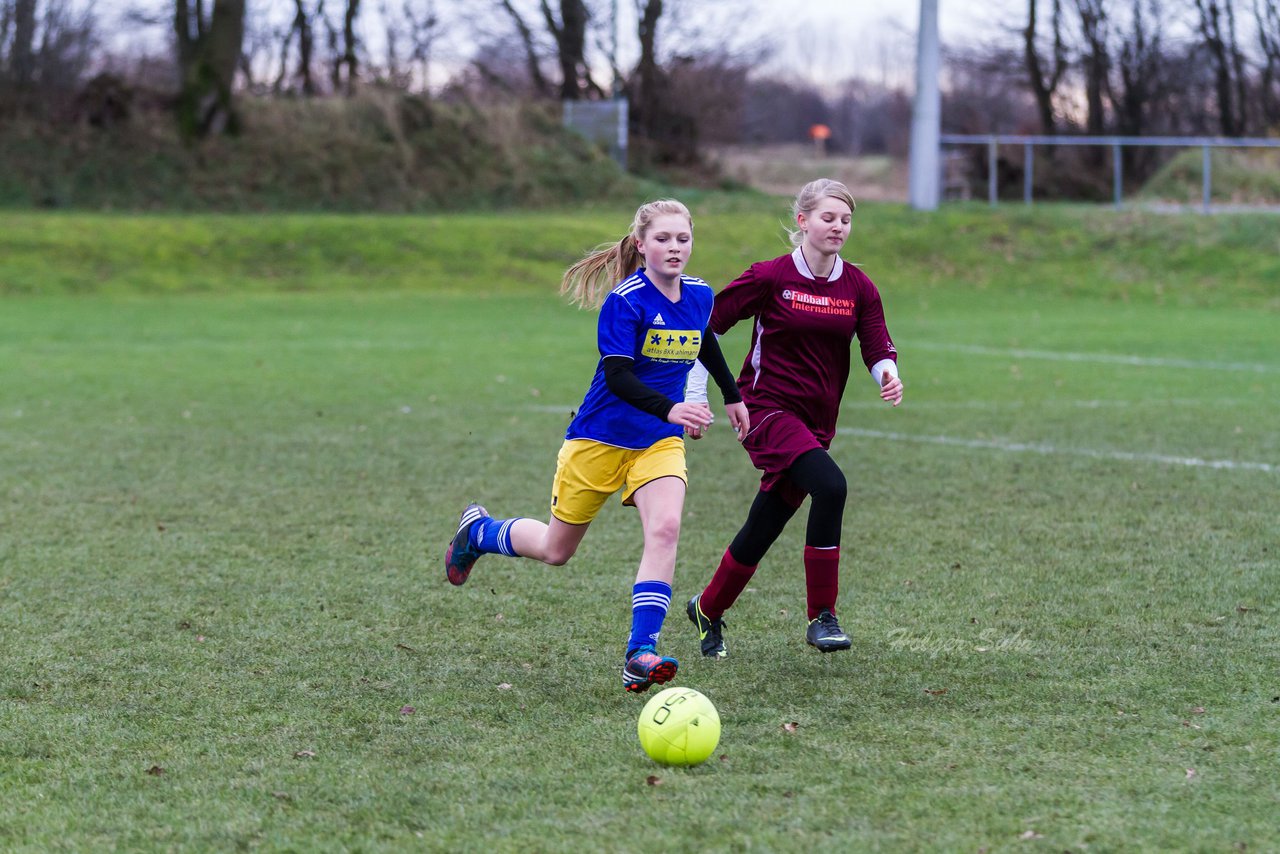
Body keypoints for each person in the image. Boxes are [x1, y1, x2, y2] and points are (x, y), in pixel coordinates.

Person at [444, 199, 749, 693]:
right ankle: (478, 532)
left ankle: (640, 653)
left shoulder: (699, 295)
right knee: (555, 549)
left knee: (666, 529)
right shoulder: (625, 301)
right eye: (664, 239)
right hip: (598, 440)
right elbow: (619, 376)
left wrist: (731, 396)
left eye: (683, 239)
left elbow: (702, 341)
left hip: (658, 443)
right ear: (641, 245)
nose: (675, 248)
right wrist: (672, 408)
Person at [683, 178, 903, 658]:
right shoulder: (770, 276)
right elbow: (705, 328)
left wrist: (887, 373)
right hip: (765, 408)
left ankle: (707, 608)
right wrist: (702, 392)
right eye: (828, 218)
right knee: (832, 486)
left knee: (767, 520)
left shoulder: (858, 286)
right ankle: (823, 615)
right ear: (802, 221)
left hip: (816, 423)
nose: (838, 227)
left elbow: (876, 342)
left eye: (845, 220)